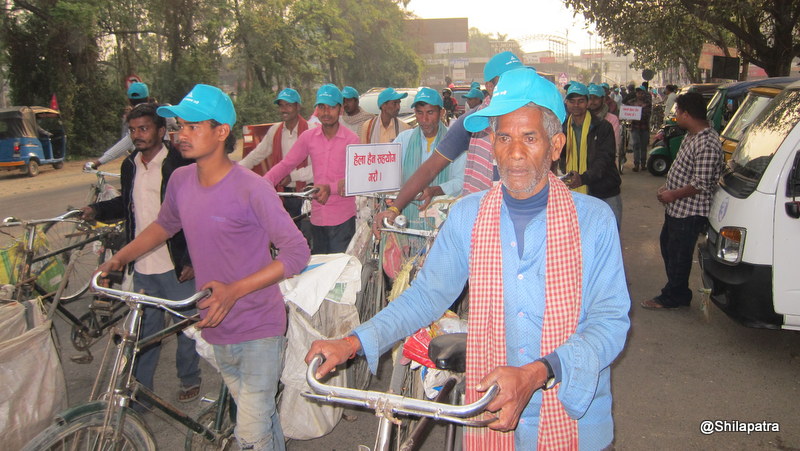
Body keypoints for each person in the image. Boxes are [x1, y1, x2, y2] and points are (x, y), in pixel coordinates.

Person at [306, 67, 630, 450]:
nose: (515, 154)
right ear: (491, 143)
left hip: (575, 423)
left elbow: (609, 321)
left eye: (530, 138)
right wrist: (354, 341)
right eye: (504, 138)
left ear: (556, 145)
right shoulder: (468, 216)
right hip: (489, 410)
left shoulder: (593, 221)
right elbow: (427, 296)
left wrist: (539, 372)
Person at [99, 84, 311, 450]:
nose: (181, 134)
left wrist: (234, 291)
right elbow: (164, 226)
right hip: (215, 326)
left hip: (258, 327)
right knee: (259, 421)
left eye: (193, 126)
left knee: (248, 434)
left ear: (221, 132)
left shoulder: (252, 188)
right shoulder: (180, 181)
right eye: (180, 126)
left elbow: (296, 253)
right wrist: (121, 257)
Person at [81, 103, 200, 405]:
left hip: (175, 262)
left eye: (144, 128)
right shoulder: (130, 165)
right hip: (144, 264)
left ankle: (189, 377)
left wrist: (190, 258)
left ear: (161, 131)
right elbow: (126, 204)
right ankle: (140, 392)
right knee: (144, 332)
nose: (137, 135)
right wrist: (97, 210)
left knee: (185, 324)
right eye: (133, 130)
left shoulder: (179, 163)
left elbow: (194, 213)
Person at [373, 51, 524, 233]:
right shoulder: (471, 122)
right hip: (485, 221)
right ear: (491, 87)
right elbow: (430, 168)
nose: (518, 85)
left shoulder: (534, 117)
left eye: (521, 78)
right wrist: (395, 208)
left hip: (524, 215)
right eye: (509, 80)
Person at [641, 92, 722, 310]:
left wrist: (673, 194)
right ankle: (678, 291)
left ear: (686, 114)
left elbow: (701, 183)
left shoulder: (707, 142)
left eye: (677, 112)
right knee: (669, 248)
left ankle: (674, 296)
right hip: (677, 208)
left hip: (689, 212)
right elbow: (684, 171)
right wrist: (668, 188)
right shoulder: (691, 135)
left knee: (679, 255)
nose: (675, 116)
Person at [266, 84, 360, 254]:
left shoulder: (351, 140)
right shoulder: (309, 137)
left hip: (342, 220)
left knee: (338, 273)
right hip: (317, 218)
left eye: (331, 107)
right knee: (319, 272)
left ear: (340, 109)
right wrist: (263, 183)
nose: (326, 112)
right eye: (322, 107)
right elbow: (286, 164)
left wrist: (328, 188)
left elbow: (355, 181)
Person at [239, 88, 314, 234]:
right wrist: (235, 171)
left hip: (307, 195)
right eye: (281, 105)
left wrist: (293, 176)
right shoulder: (275, 131)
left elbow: (319, 167)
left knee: (306, 238)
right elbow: (256, 155)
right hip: (283, 195)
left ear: (298, 107)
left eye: (288, 105)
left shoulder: (311, 131)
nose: (284, 109)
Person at [393, 87, 465, 230]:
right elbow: (391, 175)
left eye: (430, 113)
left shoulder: (454, 142)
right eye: (420, 113)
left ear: (441, 113)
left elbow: (461, 182)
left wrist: (435, 190)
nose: (424, 119)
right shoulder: (403, 140)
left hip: (442, 223)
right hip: (407, 221)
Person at [561, 82, 623, 230]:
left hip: (604, 191)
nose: (576, 105)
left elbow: (605, 159)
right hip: (574, 194)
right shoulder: (562, 128)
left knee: (609, 237)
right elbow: (558, 156)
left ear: (587, 102)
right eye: (572, 101)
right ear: (566, 103)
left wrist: (583, 178)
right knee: (579, 239)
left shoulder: (603, 127)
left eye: (581, 101)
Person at [625, 85, 652, 172]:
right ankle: (636, 164)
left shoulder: (648, 103)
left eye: (641, 93)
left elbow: (647, 115)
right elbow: (624, 103)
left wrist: (637, 112)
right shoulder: (631, 102)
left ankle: (643, 164)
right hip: (635, 127)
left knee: (643, 146)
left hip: (644, 127)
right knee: (636, 145)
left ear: (644, 94)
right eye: (638, 93)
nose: (639, 94)